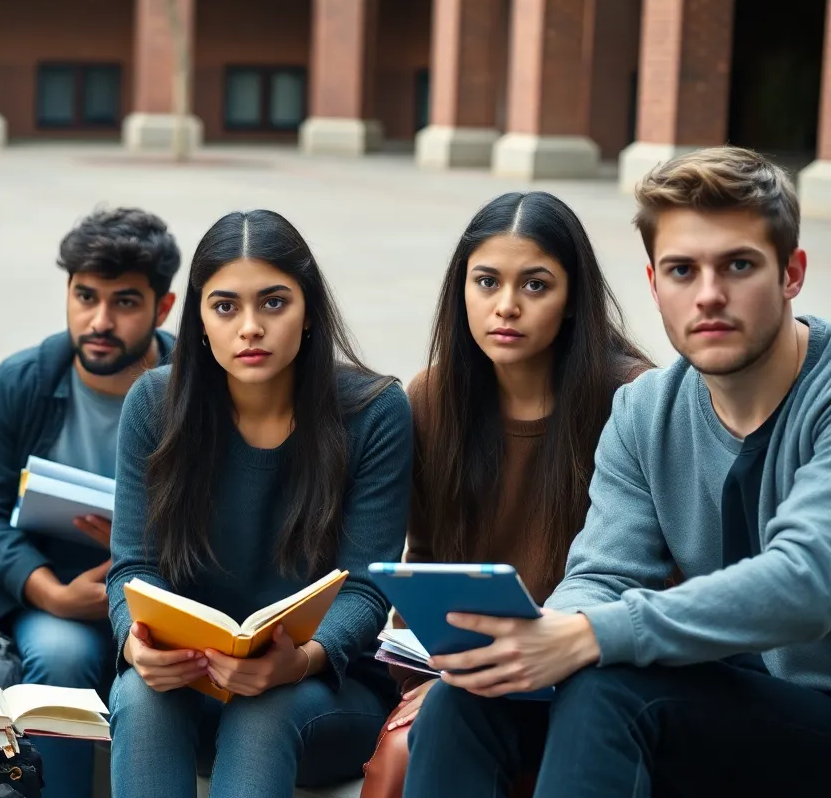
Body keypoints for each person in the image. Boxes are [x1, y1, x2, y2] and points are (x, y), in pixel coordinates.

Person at [404, 146, 831, 797]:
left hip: (813, 714)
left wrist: (586, 634)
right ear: (655, 283)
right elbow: (603, 574)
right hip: (715, 706)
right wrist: (538, 642)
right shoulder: (644, 411)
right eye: (682, 270)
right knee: (463, 701)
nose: (709, 294)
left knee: (610, 686)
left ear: (792, 272)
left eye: (739, 265)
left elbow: (806, 579)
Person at [106, 209, 412, 797]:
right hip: (191, 682)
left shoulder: (374, 412)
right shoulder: (154, 404)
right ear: (198, 317)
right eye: (225, 307)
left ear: (309, 311)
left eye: (273, 303)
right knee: (139, 694)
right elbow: (133, 567)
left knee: (264, 708)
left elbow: (368, 587)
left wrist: (298, 661)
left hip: (322, 691)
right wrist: (135, 643)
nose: (250, 327)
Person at [359, 192, 650, 798]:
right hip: (472, 677)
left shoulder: (630, 398)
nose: (506, 307)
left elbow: (658, 579)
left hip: (595, 675)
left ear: (573, 300)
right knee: (413, 744)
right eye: (486, 281)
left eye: (536, 286)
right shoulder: (434, 399)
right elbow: (426, 562)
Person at [0, 207, 180, 798]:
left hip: (168, 600)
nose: (99, 321)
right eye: (85, 296)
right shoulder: (23, 383)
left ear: (163, 308)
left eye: (125, 303)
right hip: (55, 598)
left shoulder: (198, 389)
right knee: (59, 656)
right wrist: (47, 591)